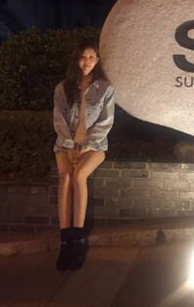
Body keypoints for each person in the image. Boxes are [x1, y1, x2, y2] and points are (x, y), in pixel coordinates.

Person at [53, 39, 115, 271]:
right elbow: (59, 119)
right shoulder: (63, 88)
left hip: (95, 146)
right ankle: (65, 242)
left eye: (91, 57)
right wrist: (70, 145)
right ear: (76, 60)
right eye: (82, 57)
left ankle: (78, 240)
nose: (86, 61)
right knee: (65, 178)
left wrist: (87, 145)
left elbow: (106, 121)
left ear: (97, 61)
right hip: (65, 144)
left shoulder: (105, 88)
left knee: (79, 176)